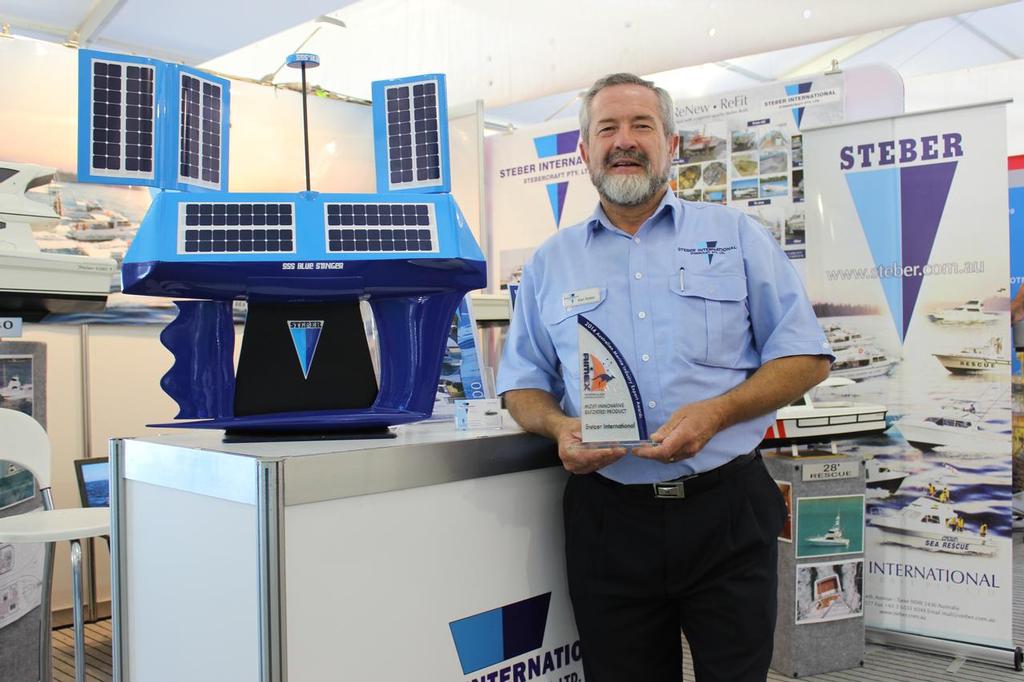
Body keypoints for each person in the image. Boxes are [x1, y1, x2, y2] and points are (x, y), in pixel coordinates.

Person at [496, 73, 833, 682]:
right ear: (584, 152)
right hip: (609, 523)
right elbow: (521, 382)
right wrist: (557, 426)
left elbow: (805, 357)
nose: (624, 141)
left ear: (672, 144)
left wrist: (718, 413)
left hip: (725, 513)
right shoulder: (551, 262)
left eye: (642, 126)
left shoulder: (736, 237)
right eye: (608, 129)